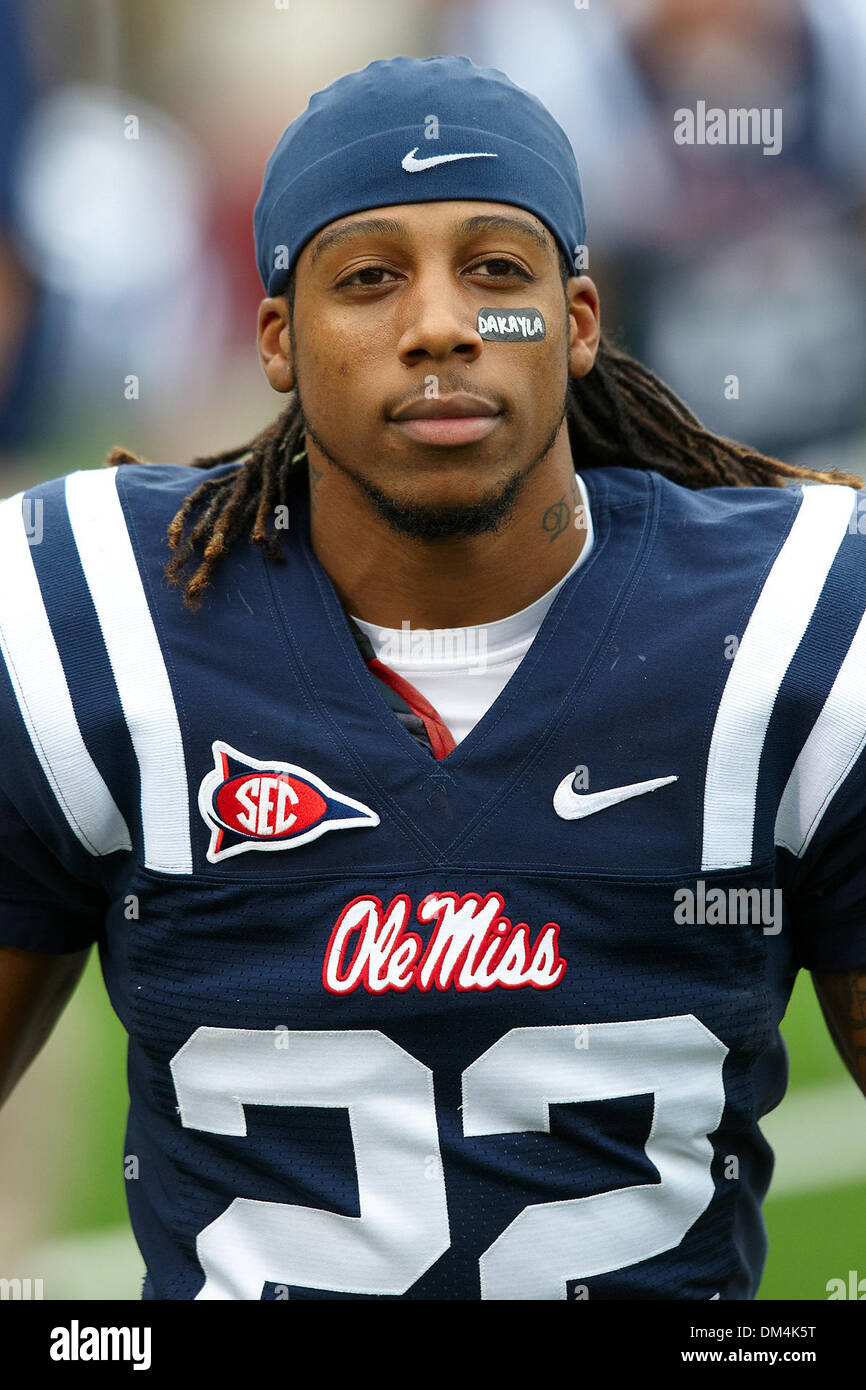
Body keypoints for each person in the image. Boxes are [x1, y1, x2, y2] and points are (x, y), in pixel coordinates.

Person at [0, 55, 863, 1302]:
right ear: (278, 339)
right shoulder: (92, 622)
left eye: (497, 273)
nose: (443, 323)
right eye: (367, 279)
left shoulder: (793, 626)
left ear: (575, 323)